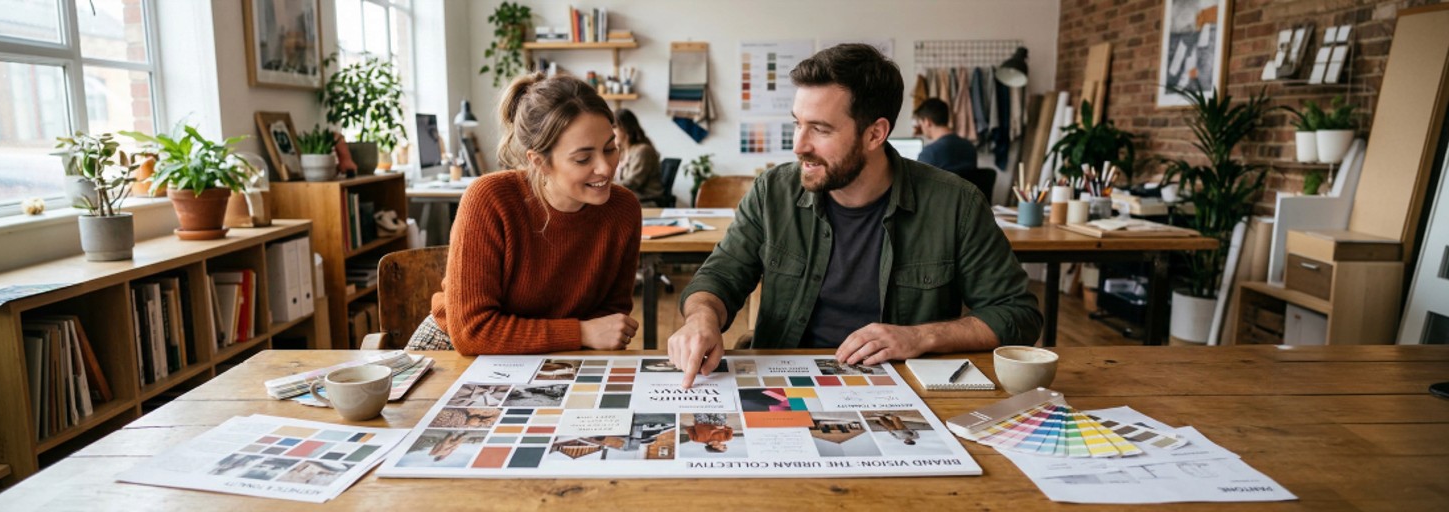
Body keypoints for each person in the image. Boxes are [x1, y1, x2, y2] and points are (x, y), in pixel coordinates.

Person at [666, 44, 1041, 387]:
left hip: (905, 389)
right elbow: (719, 277)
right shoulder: (772, 191)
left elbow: (1017, 314)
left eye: (820, 129)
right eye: (798, 123)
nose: (799, 145)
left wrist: (919, 336)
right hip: (784, 382)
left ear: (875, 133)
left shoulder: (955, 203)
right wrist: (702, 318)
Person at [412, 73, 642, 355]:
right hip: (453, 349)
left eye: (610, 149)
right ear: (539, 161)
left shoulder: (624, 210)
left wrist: (582, 336)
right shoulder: (488, 199)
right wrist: (580, 332)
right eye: (583, 158)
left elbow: (609, 318)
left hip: (561, 350)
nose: (606, 168)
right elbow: (472, 331)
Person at [912, 99, 977, 173]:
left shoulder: (929, 153)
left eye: (921, 123)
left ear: (927, 122)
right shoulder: (970, 147)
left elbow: (917, 183)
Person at [613, 108, 664, 201]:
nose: (611, 132)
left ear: (626, 128)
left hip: (646, 202)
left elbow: (632, 182)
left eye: (614, 127)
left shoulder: (643, 151)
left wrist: (606, 187)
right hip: (630, 199)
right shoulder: (623, 152)